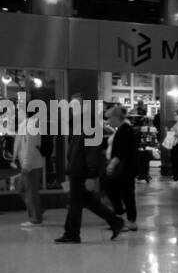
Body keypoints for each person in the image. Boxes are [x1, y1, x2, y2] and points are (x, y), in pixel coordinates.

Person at [56, 96, 125, 243]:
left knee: (75, 203)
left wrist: (91, 175)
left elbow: (92, 152)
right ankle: (115, 222)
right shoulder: (78, 126)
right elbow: (75, 151)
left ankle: (72, 234)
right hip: (78, 170)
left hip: (82, 172)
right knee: (85, 201)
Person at [104, 106, 139, 231]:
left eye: (110, 119)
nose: (109, 121)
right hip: (125, 168)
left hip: (125, 168)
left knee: (125, 193)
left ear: (116, 118)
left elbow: (122, 151)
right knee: (119, 191)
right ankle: (121, 218)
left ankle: (128, 220)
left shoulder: (125, 129)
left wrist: (112, 164)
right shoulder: (122, 129)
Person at [14, 112, 46, 227]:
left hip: (31, 165)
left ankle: (35, 218)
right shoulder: (25, 124)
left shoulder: (31, 125)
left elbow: (29, 147)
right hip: (27, 163)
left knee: (30, 191)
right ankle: (37, 210)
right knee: (20, 187)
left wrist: (26, 165)